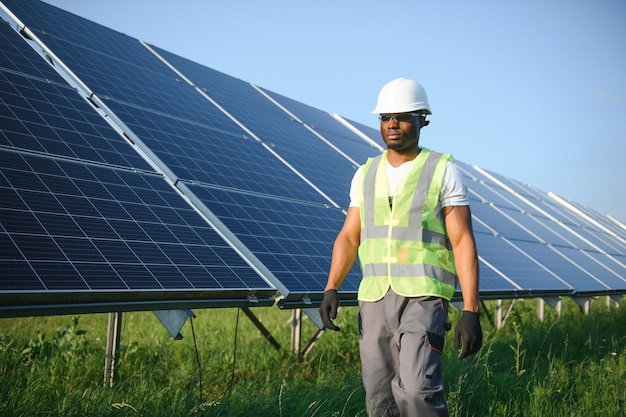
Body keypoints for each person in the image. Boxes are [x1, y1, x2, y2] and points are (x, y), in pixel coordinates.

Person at [319, 78, 482, 417]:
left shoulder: (442, 170)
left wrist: (471, 309)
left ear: (423, 119)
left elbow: (462, 240)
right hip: (374, 297)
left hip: (423, 296)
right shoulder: (365, 173)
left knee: (417, 390)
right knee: (379, 399)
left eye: (403, 116)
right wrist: (331, 286)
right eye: (385, 117)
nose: (392, 124)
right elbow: (350, 236)